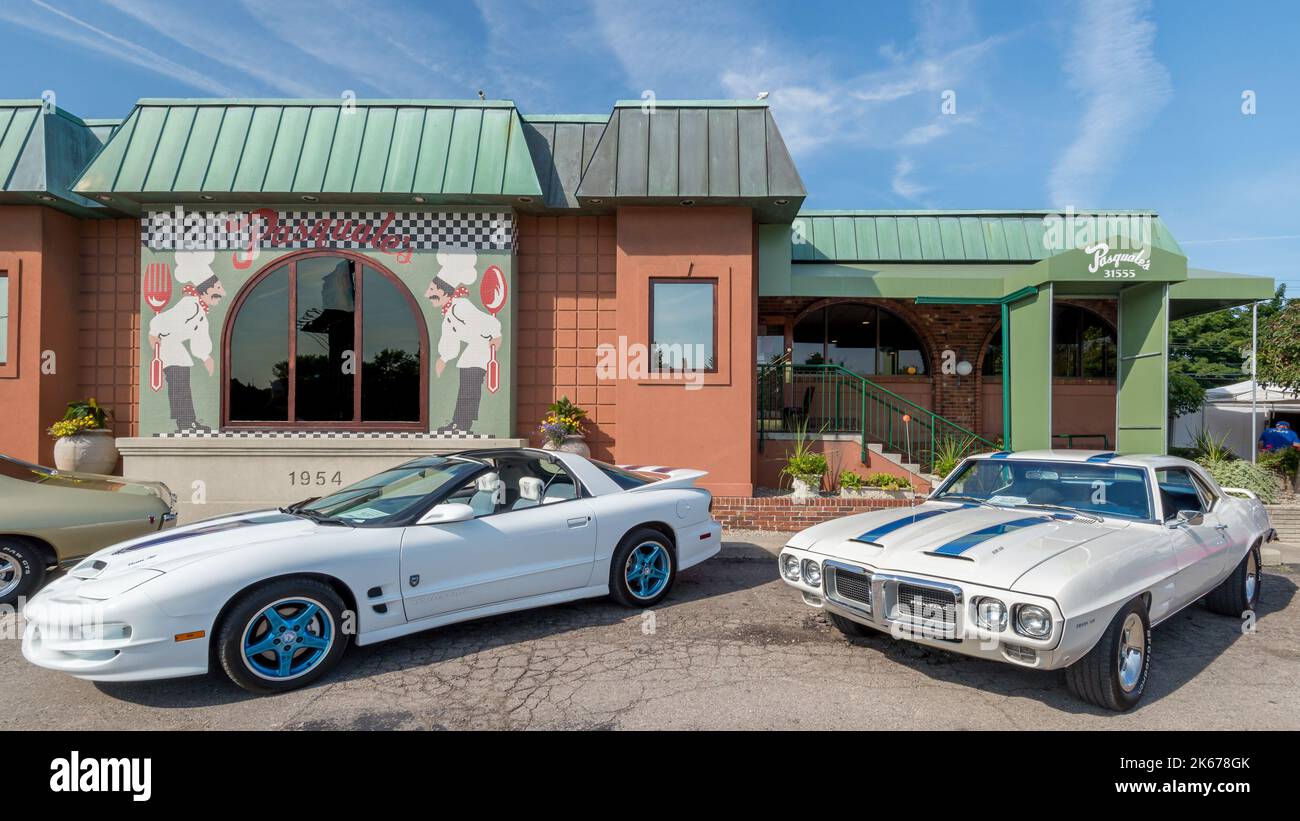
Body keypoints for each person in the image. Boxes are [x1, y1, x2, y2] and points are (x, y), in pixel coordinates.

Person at [425, 252, 501, 434]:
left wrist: (496, 335)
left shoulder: (460, 306)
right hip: (474, 349)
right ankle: (460, 423)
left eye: (432, 290)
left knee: (470, 386)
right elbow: (450, 338)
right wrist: (444, 358)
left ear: (443, 292)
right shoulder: (449, 312)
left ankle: (462, 424)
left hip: (482, 347)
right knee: (467, 385)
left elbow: (486, 321)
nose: (428, 294)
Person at [149, 250, 224, 431]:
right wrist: (154, 333)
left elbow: (200, 337)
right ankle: (184, 422)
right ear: (206, 290)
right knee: (178, 384)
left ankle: (188, 420)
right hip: (168, 346)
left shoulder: (201, 313)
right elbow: (164, 320)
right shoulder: (190, 305)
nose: (221, 293)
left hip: (176, 348)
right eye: (218, 288)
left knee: (182, 383)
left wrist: (205, 357)